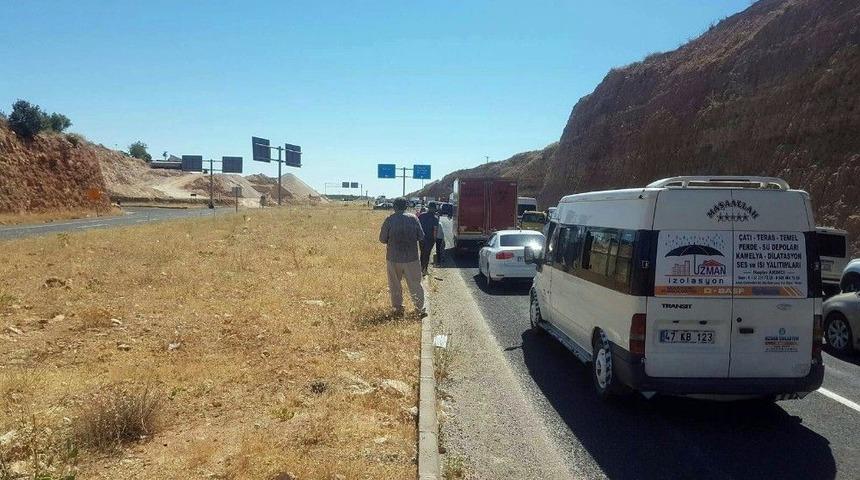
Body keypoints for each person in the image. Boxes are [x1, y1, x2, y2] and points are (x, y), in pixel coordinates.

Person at [379, 197, 426, 316]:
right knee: (415, 283)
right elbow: (421, 236)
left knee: (394, 283)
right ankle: (419, 309)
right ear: (406, 207)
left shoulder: (389, 220)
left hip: (393, 258)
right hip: (412, 258)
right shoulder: (414, 218)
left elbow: (382, 239)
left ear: (394, 207)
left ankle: (398, 308)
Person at [417, 203, 439, 274]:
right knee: (427, 254)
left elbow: (418, 226)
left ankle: (421, 268)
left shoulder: (421, 215)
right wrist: (435, 239)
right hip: (430, 239)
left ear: (428, 208)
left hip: (421, 238)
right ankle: (424, 270)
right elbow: (435, 230)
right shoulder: (435, 218)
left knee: (422, 253)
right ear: (435, 209)